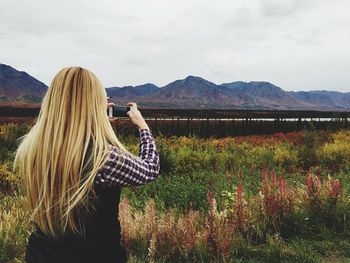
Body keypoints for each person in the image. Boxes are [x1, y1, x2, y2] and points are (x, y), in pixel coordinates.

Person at [13, 66, 160, 263]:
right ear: (94, 105)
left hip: (41, 254)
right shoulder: (103, 158)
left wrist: (99, 124)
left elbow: (75, 146)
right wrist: (143, 127)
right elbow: (150, 169)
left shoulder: (32, 148)